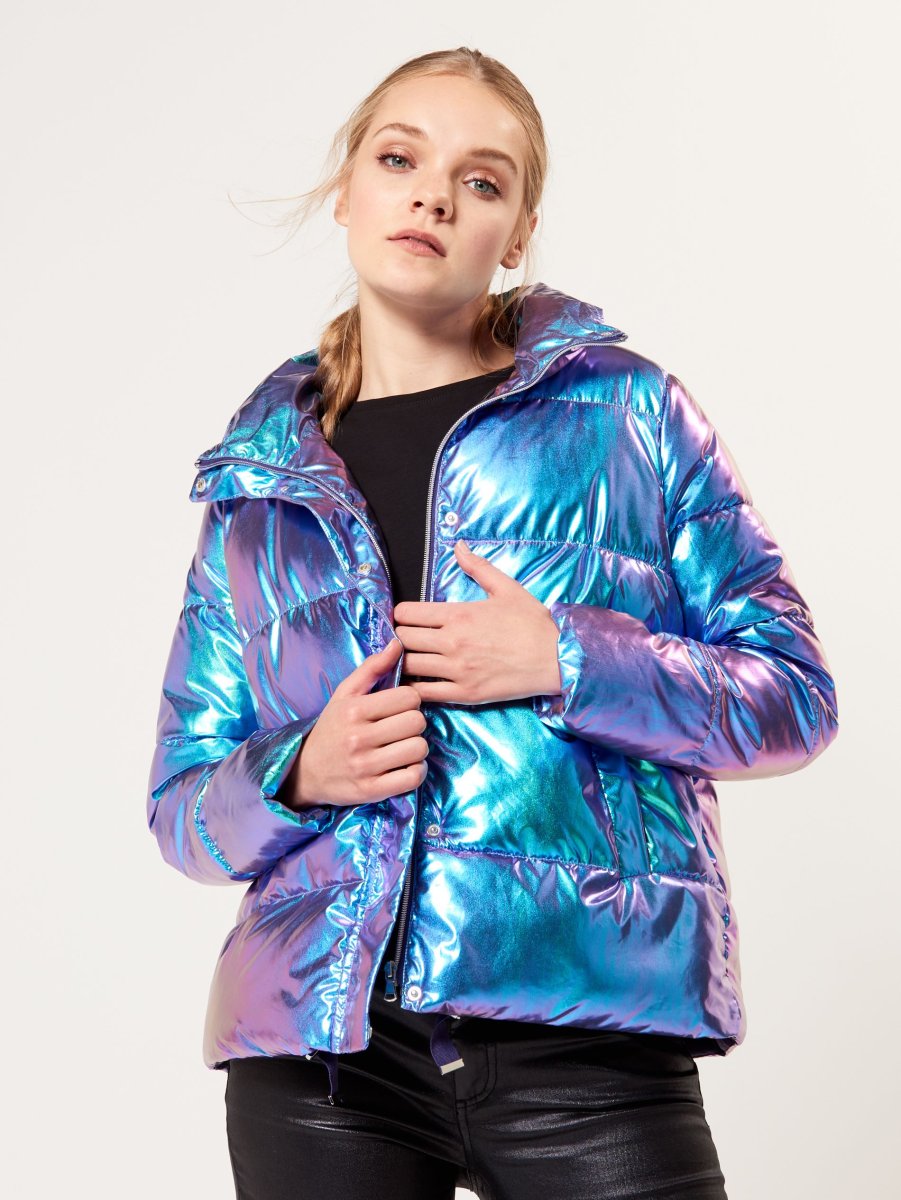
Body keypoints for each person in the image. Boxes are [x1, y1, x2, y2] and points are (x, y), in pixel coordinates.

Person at [146, 46, 840, 1200]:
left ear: (515, 234)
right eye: (399, 159)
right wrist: (299, 772)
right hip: (324, 1060)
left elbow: (794, 697)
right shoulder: (260, 481)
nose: (431, 196)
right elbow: (181, 809)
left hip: (589, 1038)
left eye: (480, 181)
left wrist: (566, 658)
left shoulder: (628, 413)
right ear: (346, 192)